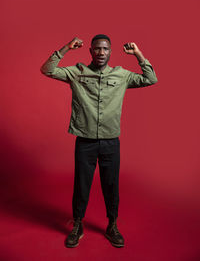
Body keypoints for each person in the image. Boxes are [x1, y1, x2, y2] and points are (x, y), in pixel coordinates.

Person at [40, 34, 158, 248]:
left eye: (105, 49)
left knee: (111, 184)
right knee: (81, 185)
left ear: (110, 52)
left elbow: (151, 79)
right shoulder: (77, 72)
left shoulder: (121, 75)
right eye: (96, 49)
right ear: (90, 51)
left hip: (111, 142)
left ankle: (112, 224)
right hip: (85, 141)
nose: (101, 52)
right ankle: (77, 224)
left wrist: (138, 54)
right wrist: (66, 48)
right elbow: (47, 69)